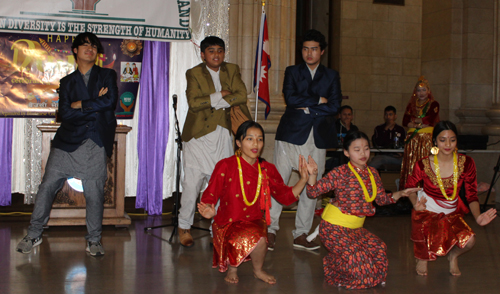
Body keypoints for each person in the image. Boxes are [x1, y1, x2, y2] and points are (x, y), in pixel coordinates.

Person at [16, 32, 118, 256]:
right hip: (66, 143)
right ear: (75, 51)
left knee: (94, 194)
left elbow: (110, 101)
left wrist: (79, 104)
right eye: (85, 45)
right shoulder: (67, 82)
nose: (90, 49)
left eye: (93, 46)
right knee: (47, 188)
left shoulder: (107, 75)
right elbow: (64, 114)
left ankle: (94, 240)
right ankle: (34, 234)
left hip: (95, 143)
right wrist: (94, 105)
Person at [197, 121, 310, 284]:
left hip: (254, 222)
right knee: (241, 236)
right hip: (227, 222)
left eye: (259, 139)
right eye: (249, 139)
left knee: (261, 238)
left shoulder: (267, 169)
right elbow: (211, 193)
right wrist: (208, 207)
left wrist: (304, 179)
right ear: (238, 143)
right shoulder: (226, 165)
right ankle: (233, 268)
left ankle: (258, 270)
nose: (255, 144)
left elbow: (284, 195)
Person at [306, 131, 421, 289]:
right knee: (364, 274)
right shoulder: (340, 173)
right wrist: (312, 175)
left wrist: (400, 194)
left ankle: (347, 264)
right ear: (346, 152)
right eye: (357, 149)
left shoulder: (373, 173)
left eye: (366, 149)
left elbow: (381, 199)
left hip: (355, 230)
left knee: (379, 250)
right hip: (334, 229)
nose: (363, 153)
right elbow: (312, 193)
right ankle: (333, 264)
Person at [270, 29, 342, 251]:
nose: (309, 53)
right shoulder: (292, 71)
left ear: (321, 51)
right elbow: (290, 99)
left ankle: (301, 233)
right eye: (305, 49)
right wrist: (318, 100)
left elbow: (335, 105)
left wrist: (309, 109)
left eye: (313, 49)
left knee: (312, 185)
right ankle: (270, 229)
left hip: (316, 137)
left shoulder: (331, 75)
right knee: (278, 183)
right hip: (290, 134)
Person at [179, 36, 251, 247]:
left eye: (220, 50)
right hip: (197, 138)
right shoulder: (194, 73)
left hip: (222, 135)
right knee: (191, 185)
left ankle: (217, 229)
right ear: (203, 55)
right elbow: (193, 103)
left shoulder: (232, 69)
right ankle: (184, 226)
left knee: (220, 185)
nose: (216, 55)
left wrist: (211, 100)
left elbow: (241, 96)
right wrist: (221, 95)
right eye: (211, 51)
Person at [406, 121, 497, 276]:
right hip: (426, 213)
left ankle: (453, 256)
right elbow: (410, 188)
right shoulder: (423, 164)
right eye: (442, 140)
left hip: (452, 213)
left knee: (470, 241)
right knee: (433, 234)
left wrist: (477, 217)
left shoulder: (466, 163)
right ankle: (423, 258)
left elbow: (472, 195)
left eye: (452, 140)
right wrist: (415, 204)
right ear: (435, 141)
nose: (448, 144)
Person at [399, 76, 440, 190]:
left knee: (426, 164)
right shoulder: (411, 104)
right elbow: (405, 121)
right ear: (415, 92)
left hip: (426, 140)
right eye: (418, 90)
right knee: (412, 166)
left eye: (423, 90)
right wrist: (419, 123)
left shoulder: (433, 104)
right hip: (412, 141)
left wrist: (414, 121)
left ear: (428, 91)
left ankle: (427, 190)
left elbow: (430, 120)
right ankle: (410, 192)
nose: (421, 93)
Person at [369, 105, 406, 170]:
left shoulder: (401, 129)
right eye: (386, 115)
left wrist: (401, 153)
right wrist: (385, 130)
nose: (388, 117)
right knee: (372, 164)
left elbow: (404, 144)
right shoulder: (379, 129)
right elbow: (378, 144)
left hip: (397, 157)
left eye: (390, 114)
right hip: (383, 156)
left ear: (395, 116)